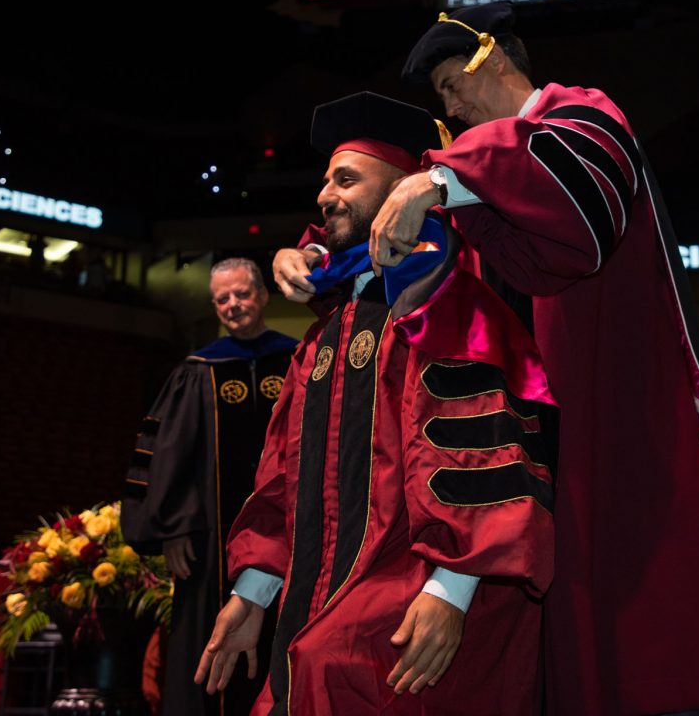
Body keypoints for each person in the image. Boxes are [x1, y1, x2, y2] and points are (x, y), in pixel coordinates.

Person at [272, 2, 699, 715]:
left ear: (497, 60)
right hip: (531, 439)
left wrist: (433, 181)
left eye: (456, 84)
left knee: (629, 632)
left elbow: (580, 216)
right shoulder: (474, 179)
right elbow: (397, 254)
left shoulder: (582, 116)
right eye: (445, 98)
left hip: (608, 406)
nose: (452, 108)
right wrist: (308, 251)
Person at [195, 92, 556, 715]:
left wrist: (451, 592)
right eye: (324, 182)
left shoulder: (444, 307)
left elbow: (481, 465)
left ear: (399, 191)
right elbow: (284, 473)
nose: (323, 197)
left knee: (327, 667)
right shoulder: (329, 328)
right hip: (317, 601)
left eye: (344, 179)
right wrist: (253, 594)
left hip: (424, 595)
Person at [120, 257, 298, 716]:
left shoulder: (299, 359)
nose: (233, 305)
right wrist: (174, 527)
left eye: (241, 294)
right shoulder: (197, 370)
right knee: (206, 650)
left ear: (261, 295)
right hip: (210, 541)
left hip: (295, 532)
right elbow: (166, 455)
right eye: (223, 299)